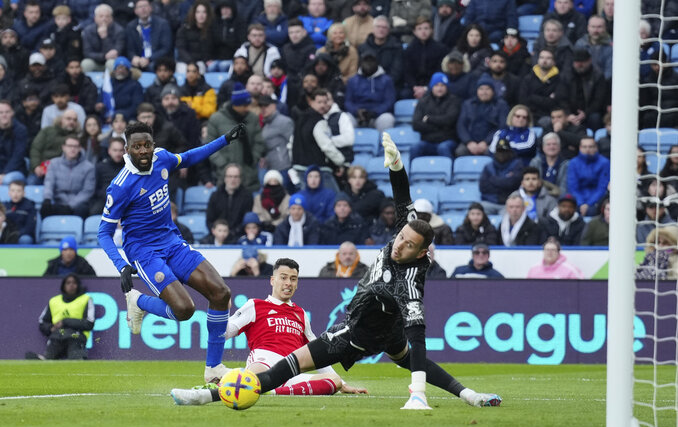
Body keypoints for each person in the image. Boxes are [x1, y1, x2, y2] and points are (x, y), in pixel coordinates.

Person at [193, 132, 502, 410]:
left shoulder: (410, 282)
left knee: (289, 366)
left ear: (421, 253)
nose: (399, 244)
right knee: (402, 356)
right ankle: (469, 396)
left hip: (357, 334)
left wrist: (417, 394)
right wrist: (395, 165)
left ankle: (211, 395)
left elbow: (419, 337)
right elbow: (402, 197)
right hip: (383, 328)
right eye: (401, 237)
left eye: (408, 245)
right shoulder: (406, 232)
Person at [97, 120, 247, 384]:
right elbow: (103, 233)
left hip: (172, 242)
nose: (143, 151)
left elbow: (189, 157)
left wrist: (224, 139)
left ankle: (213, 368)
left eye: (147, 145)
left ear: (153, 146)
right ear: (127, 149)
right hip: (144, 252)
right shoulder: (120, 186)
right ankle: (138, 302)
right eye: (137, 147)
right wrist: (121, 265)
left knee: (221, 293)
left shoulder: (162, 159)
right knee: (184, 309)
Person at [171, 258, 367, 405]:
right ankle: (219, 390)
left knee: (333, 381)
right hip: (264, 363)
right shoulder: (255, 305)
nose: (288, 283)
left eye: (293, 279)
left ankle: (267, 391)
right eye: (283, 278)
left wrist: (342, 382)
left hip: (292, 370)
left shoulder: (301, 314)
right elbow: (224, 332)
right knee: (256, 372)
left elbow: (318, 351)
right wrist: (221, 309)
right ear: (273, 280)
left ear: (297, 283)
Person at [207, 83, 265, 193]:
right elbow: (209, 146)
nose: (247, 108)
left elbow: (259, 142)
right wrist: (224, 164)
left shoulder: (252, 118)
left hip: (249, 175)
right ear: (236, 105)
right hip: (226, 175)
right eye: (244, 105)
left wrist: (253, 158)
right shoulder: (216, 119)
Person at [38, 273, 94, 360]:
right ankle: (43, 358)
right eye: (68, 283)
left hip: (76, 336)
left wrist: (65, 321)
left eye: (74, 283)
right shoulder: (54, 301)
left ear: (78, 285)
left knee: (76, 360)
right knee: (46, 360)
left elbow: (89, 323)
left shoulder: (85, 299)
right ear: (63, 286)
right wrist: (50, 328)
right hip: (57, 336)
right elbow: (42, 322)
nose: (71, 285)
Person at [41, 135, 95, 219]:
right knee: (45, 208)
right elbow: (49, 183)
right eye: (69, 146)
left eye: (75, 146)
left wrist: (70, 206)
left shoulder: (89, 167)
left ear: (80, 148)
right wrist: (47, 198)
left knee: (82, 210)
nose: (72, 149)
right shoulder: (53, 163)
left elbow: (87, 191)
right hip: (58, 201)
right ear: (64, 147)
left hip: (78, 204)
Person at [455, 74, 509, 157]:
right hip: (470, 142)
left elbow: (502, 127)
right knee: (460, 151)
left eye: (487, 89)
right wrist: (469, 142)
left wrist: (486, 142)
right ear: (477, 91)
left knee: (492, 152)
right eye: (481, 89)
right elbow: (461, 125)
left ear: (493, 91)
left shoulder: (501, 105)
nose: (484, 92)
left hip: (491, 142)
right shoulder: (468, 104)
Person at [410, 72, 460, 161]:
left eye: (442, 85)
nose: (439, 88)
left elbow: (450, 120)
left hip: (447, 140)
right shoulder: (423, 101)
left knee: (443, 148)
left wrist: (429, 119)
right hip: (428, 141)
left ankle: (450, 173)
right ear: (432, 86)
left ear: (446, 87)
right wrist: (440, 126)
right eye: (436, 85)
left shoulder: (454, 101)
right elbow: (416, 124)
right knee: (415, 148)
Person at [344, 50, 395, 134]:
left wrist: (375, 112)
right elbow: (348, 102)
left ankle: (383, 146)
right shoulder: (352, 80)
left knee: (387, 118)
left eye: (372, 61)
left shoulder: (386, 80)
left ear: (377, 62)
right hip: (358, 115)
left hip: (378, 115)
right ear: (361, 62)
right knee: (345, 118)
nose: (369, 64)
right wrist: (356, 111)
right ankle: (349, 146)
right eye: (366, 61)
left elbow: (389, 102)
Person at [557, 47, 608, 131]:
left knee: (595, 118)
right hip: (569, 112)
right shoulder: (565, 76)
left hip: (590, 113)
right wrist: (568, 114)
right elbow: (561, 97)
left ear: (589, 61)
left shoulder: (597, 76)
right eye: (577, 62)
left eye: (583, 62)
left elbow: (599, 100)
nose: (580, 64)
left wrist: (586, 113)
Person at [402, 17, 447, 100]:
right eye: (419, 29)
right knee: (403, 94)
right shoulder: (410, 49)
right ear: (414, 32)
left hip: (434, 86)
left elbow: (439, 70)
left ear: (431, 30)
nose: (423, 32)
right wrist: (415, 87)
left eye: (426, 28)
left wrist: (426, 88)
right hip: (414, 87)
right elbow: (407, 72)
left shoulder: (440, 49)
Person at [358, 15, 404, 91]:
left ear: (388, 30)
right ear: (373, 29)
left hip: (389, 86)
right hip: (367, 85)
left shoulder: (396, 48)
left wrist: (381, 85)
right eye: (378, 27)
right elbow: (360, 69)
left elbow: (396, 72)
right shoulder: (363, 47)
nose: (381, 30)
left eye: (384, 27)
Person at [518, 49, 562, 128]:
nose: (544, 60)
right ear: (538, 60)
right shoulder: (528, 78)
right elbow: (523, 100)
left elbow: (555, 103)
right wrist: (546, 99)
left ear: (554, 61)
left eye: (548, 58)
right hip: (530, 114)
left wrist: (532, 97)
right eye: (542, 57)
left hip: (549, 116)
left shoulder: (560, 80)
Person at [567, 137, 610, 217]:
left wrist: (588, 204)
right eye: (584, 147)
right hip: (578, 200)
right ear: (580, 148)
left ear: (596, 148)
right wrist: (581, 203)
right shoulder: (573, 163)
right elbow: (573, 187)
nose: (587, 149)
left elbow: (602, 187)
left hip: (597, 200)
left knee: (594, 210)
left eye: (591, 147)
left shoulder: (604, 163)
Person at [205, 163, 253, 236]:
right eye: (230, 176)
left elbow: (246, 221)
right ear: (225, 178)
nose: (233, 179)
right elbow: (209, 220)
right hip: (217, 236)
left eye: (236, 177)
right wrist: (218, 233)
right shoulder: (215, 196)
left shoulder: (247, 196)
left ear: (240, 179)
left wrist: (233, 233)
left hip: (238, 236)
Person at [479, 138, 524, 215]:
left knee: (512, 214)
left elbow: (513, 184)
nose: (501, 154)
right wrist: (504, 182)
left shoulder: (517, 164)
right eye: (499, 151)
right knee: (476, 212)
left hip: (508, 203)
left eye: (504, 151)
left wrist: (494, 180)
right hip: (489, 202)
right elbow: (483, 187)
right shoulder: (488, 166)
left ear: (510, 152)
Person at [125, 0, 173, 71]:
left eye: (145, 6)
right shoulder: (131, 26)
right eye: (140, 7)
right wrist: (133, 57)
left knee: (152, 66)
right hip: (138, 60)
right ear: (135, 11)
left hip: (156, 60)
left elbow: (165, 48)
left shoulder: (162, 24)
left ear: (151, 8)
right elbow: (129, 49)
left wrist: (149, 59)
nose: (143, 9)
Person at [81, 3, 126, 72]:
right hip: (95, 61)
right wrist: (103, 56)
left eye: (107, 16)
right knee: (85, 64)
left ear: (111, 18)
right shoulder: (88, 31)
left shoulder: (119, 31)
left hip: (111, 60)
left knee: (111, 63)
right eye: (101, 16)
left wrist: (105, 37)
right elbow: (87, 52)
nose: (104, 19)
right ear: (95, 18)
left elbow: (117, 52)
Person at [175, 0, 214, 74]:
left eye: (204, 12)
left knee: (201, 68)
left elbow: (211, 50)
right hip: (184, 62)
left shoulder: (212, 30)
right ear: (194, 14)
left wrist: (209, 59)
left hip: (202, 62)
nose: (201, 15)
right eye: (198, 12)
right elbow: (181, 49)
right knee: (185, 70)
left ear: (208, 14)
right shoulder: (184, 30)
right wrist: (191, 62)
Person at [90, 137, 125, 216]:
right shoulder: (100, 167)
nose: (118, 153)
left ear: (125, 151)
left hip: (124, 200)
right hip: (104, 200)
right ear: (109, 151)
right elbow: (96, 188)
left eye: (120, 150)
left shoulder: (129, 168)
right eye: (115, 150)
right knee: (93, 213)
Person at [529, 132, 570, 198]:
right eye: (548, 144)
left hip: (558, 199)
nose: (551, 147)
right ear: (543, 147)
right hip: (537, 198)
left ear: (559, 147)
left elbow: (564, 188)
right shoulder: (535, 162)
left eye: (554, 144)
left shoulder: (566, 164)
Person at [574, 15, 612, 80]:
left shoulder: (611, 47)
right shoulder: (580, 44)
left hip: (604, 84)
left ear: (605, 28)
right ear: (588, 28)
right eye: (593, 27)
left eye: (599, 27)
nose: (596, 30)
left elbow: (609, 71)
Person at [0, 100, 27, 185]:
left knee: (7, 180)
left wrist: (4, 174)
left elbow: (18, 156)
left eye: (7, 112)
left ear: (12, 113)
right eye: (1, 112)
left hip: (15, 170)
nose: (4, 115)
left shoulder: (21, 130)